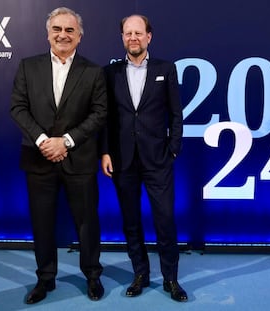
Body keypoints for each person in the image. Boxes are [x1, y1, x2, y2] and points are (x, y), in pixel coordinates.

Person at [10, 7, 107, 304]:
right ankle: (45, 279)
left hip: (80, 160)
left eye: (69, 30)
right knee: (42, 222)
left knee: (87, 222)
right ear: (48, 33)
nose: (62, 35)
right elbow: (18, 108)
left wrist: (65, 141)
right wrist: (43, 141)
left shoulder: (94, 72)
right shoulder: (28, 66)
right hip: (39, 159)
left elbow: (100, 112)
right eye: (57, 29)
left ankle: (92, 276)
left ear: (79, 36)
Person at [100, 14, 187, 302]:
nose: (133, 38)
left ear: (149, 36)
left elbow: (176, 114)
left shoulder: (166, 68)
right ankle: (140, 274)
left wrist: (173, 148)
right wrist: (105, 151)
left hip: (158, 160)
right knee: (131, 221)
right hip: (123, 161)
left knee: (164, 220)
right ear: (122, 37)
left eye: (138, 32)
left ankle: (171, 279)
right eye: (127, 33)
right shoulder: (109, 73)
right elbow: (106, 119)